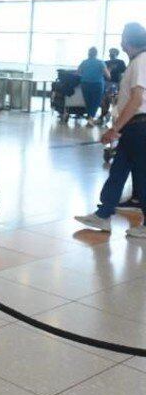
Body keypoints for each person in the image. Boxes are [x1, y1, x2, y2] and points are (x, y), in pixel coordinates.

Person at [75, 22, 146, 237]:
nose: (120, 42)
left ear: (130, 40)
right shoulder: (136, 61)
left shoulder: (141, 61)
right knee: (118, 171)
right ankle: (104, 214)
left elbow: (137, 99)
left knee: (142, 175)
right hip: (133, 127)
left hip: (139, 126)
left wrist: (115, 128)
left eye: (123, 37)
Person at [77, 46, 109, 125]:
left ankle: (90, 117)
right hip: (97, 84)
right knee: (96, 101)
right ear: (96, 54)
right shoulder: (100, 62)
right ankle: (91, 118)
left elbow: (78, 72)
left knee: (88, 101)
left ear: (88, 53)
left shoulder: (84, 62)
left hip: (85, 83)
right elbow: (108, 76)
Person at [103, 46, 127, 119]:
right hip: (106, 83)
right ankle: (104, 115)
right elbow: (103, 73)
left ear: (117, 54)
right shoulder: (105, 62)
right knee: (105, 100)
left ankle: (114, 117)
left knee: (114, 101)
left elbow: (124, 72)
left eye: (113, 53)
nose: (111, 54)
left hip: (115, 84)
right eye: (110, 53)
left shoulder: (120, 62)